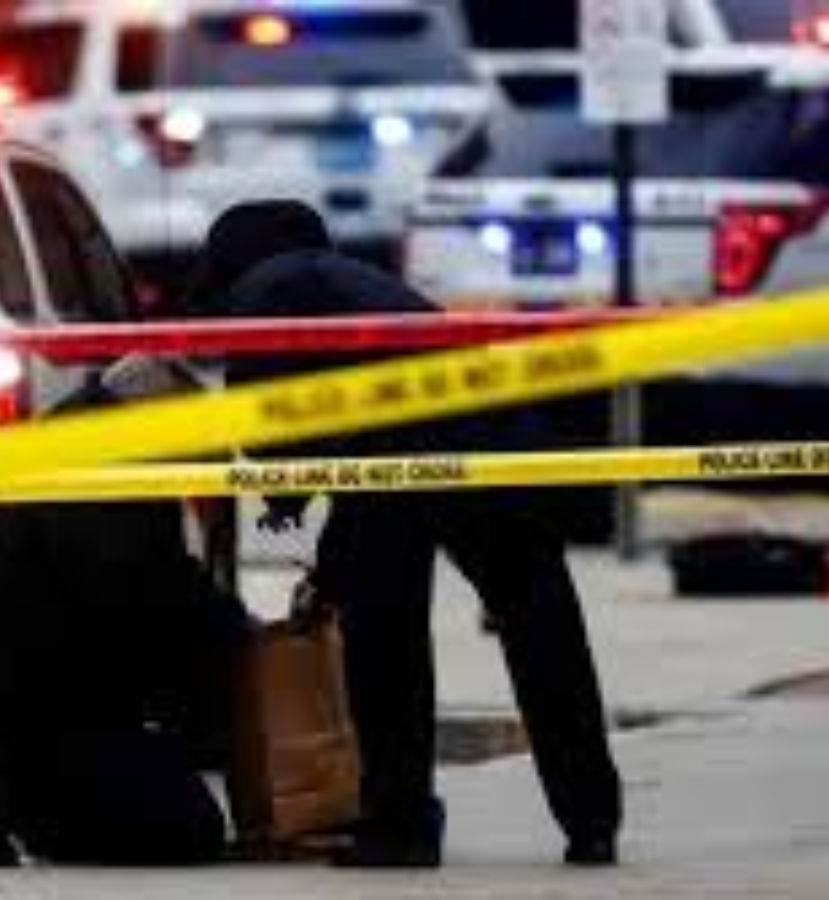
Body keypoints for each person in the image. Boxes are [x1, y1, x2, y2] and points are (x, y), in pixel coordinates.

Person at [185, 200, 622, 868]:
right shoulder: (366, 283)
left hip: (393, 464)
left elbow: (270, 419)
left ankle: (401, 824)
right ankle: (592, 819)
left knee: (386, 645)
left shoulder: (263, 292)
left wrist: (283, 498)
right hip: (499, 448)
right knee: (543, 633)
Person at [0, 355, 252, 868]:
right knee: (189, 830)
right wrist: (229, 630)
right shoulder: (109, 479)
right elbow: (140, 595)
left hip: (17, 695)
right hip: (48, 711)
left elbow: (149, 580)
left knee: (173, 793)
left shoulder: (67, 446)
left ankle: (22, 796)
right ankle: (15, 799)